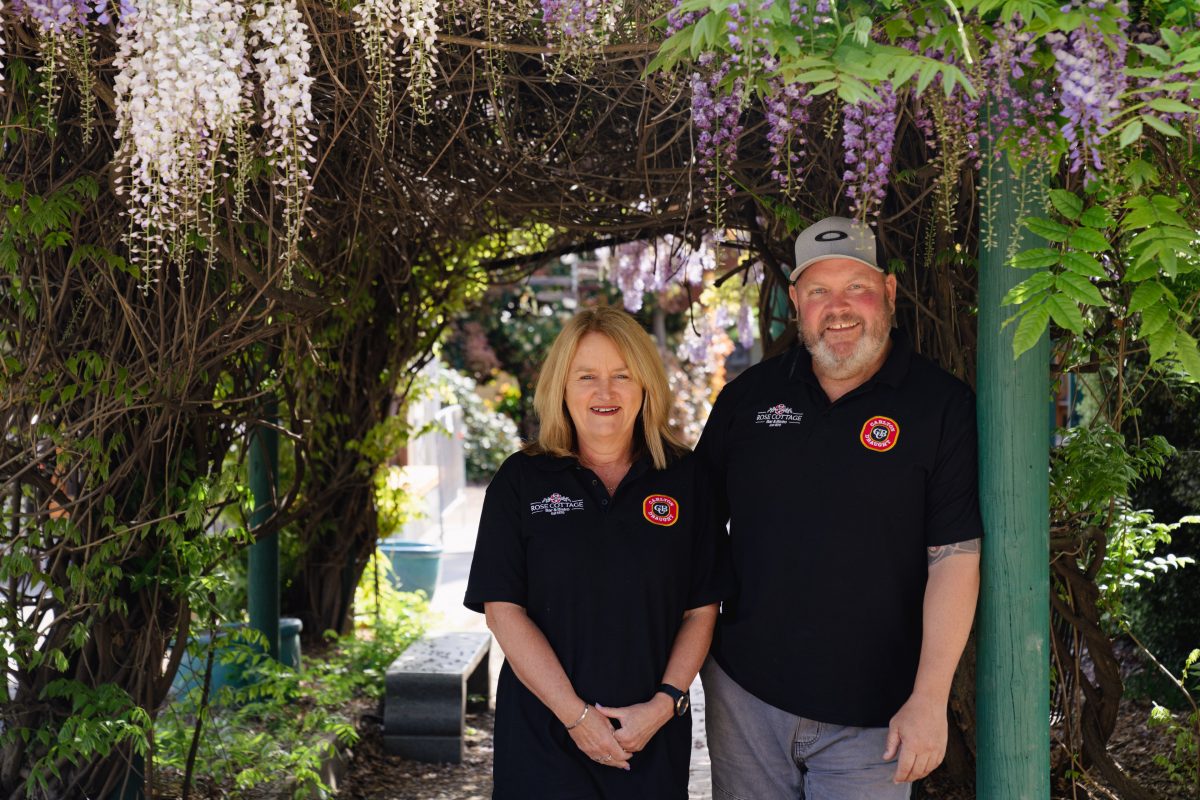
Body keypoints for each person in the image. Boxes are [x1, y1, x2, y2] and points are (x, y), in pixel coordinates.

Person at [696, 216, 983, 800]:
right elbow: (691, 534)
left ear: (889, 292)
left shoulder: (941, 406)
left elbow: (954, 558)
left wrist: (929, 700)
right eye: (819, 291)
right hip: (747, 699)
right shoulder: (749, 399)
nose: (839, 307)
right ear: (797, 300)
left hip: (875, 716)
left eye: (856, 286)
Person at [465, 305, 728, 800]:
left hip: (648, 735)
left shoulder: (688, 479)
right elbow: (502, 611)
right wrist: (576, 716)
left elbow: (701, 609)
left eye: (621, 376)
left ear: (645, 384)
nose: (604, 393)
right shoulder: (520, 481)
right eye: (586, 376)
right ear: (561, 387)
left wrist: (664, 704)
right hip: (544, 733)